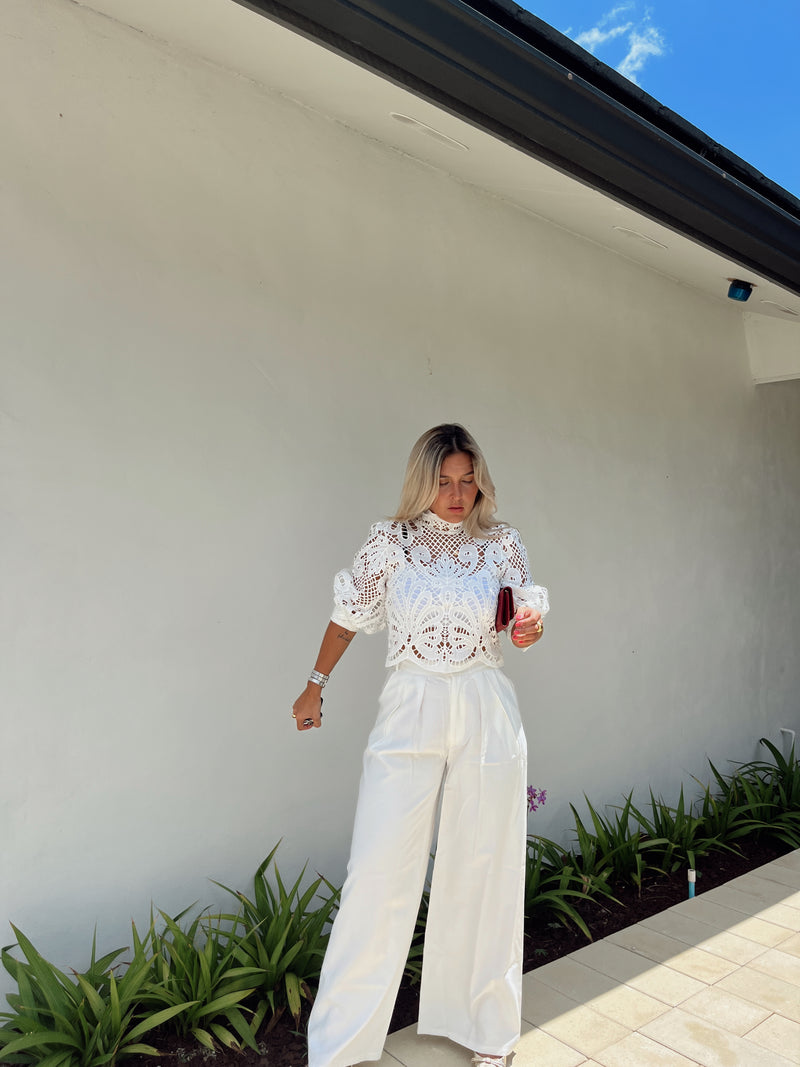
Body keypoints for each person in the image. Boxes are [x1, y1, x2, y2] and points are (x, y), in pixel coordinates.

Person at [291, 424, 549, 1067]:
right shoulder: (391, 542)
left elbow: (523, 626)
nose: (457, 494)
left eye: (468, 481)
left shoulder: (502, 544)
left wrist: (526, 631)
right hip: (410, 705)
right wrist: (313, 685)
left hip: (486, 706)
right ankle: (341, 1044)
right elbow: (348, 615)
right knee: (378, 868)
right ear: (422, 480)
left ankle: (484, 1028)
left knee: (486, 867)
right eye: (444, 481)